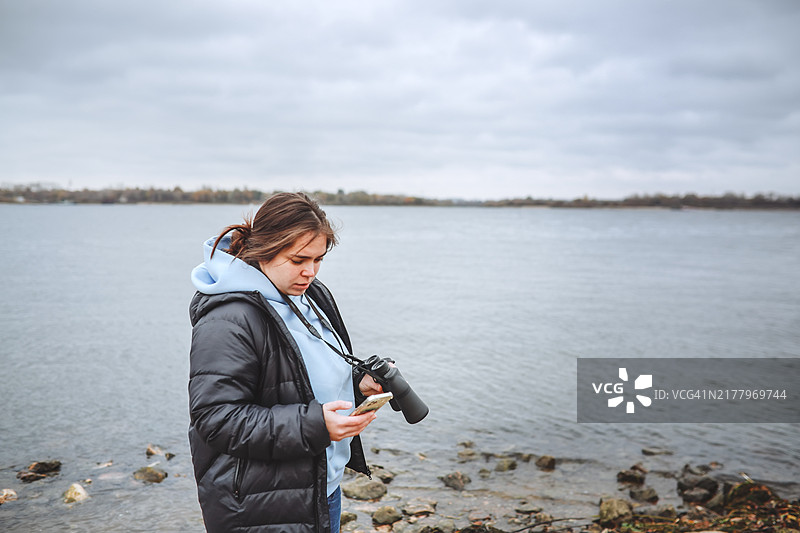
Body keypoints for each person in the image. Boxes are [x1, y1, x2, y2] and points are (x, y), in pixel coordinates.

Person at [188, 192, 383, 533]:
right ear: (264, 251)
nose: (310, 271)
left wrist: (356, 384)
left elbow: (297, 377)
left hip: (320, 490)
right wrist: (315, 426)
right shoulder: (228, 319)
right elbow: (215, 419)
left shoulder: (310, 294)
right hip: (259, 506)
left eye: (318, 259)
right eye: (298, 260)